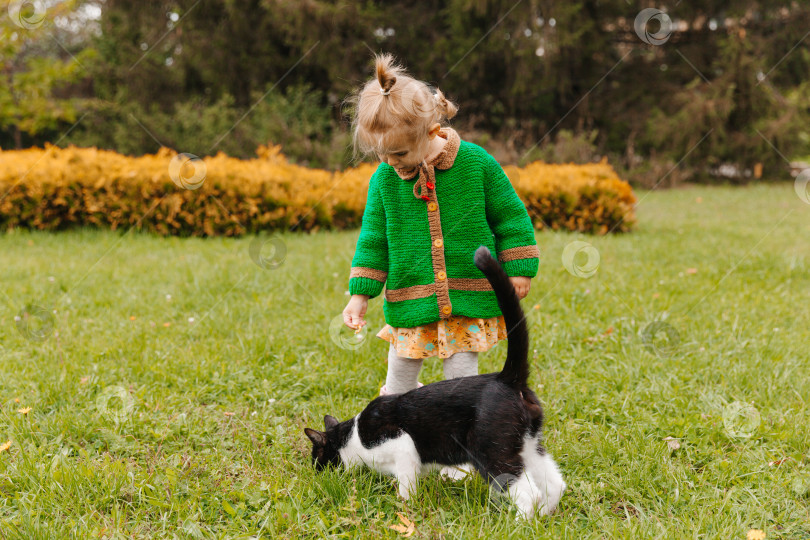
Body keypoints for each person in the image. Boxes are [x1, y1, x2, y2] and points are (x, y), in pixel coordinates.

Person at [342, 52, 539, 396]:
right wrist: (360, 295)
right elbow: (373, 240)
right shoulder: (384, 180)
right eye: (382, 154)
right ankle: (398, 430)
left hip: (468, 292)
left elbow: (510, 215)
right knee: (399, 379)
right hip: (410, 295)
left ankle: (460, 435)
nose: (390, 162)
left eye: (400, 153)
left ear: (431, 130)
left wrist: (520, 267)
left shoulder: (476, 164)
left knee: (460, 381)